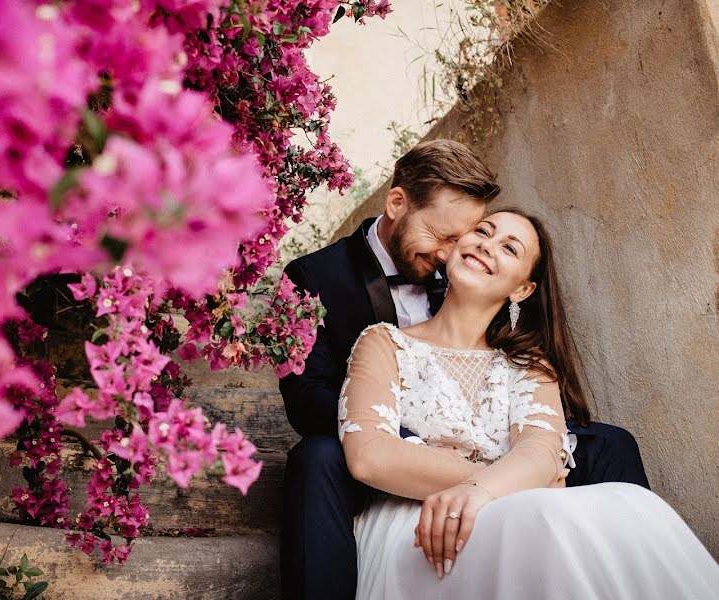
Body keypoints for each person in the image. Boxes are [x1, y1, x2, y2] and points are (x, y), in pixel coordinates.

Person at [278, 139, 649, 600]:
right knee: (315, 458)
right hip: (376, 433)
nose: (454, 251)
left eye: (466, 235)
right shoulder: (312, 277)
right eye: (445, 236)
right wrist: (420, 440)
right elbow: (306, 394)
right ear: (397, 203)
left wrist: (523, 455)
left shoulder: (461, 266)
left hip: (487, 416)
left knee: (610, 443)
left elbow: (501, 369)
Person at [339, 209, 718, 598]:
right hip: (420, 522)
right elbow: (370, 455)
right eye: (483, 231)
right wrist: (504, 480)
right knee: (541, 515)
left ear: (522, 289)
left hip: (509, 510)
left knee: (632, 502)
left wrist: (486, 489)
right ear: (455, 247)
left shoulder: (527, 364)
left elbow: (540, 452)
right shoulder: (385, 343)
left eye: (509, 247)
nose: (487, 244)